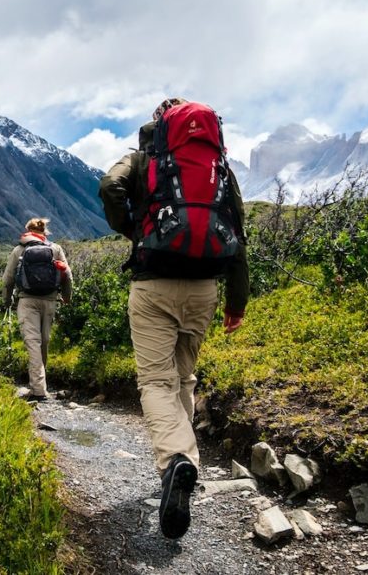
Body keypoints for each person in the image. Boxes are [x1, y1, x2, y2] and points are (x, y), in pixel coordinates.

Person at [98, 98, 249, 539]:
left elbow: (110, 186)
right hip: (204, 288)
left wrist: (132, 228)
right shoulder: (218, 167)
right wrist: (236, 304)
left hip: (154, 284)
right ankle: (183, 463)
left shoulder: (145, 159)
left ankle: (176, 462)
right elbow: (238, 232)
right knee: (184, 377)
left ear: (160, 125)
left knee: (155, 382)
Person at [2, 217, 73, 401]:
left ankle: (39, 390)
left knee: (33, 342)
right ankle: (40, 384)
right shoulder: (55, 249)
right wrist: (66, 297)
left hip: (27, 301)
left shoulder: (19, 250)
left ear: (27, 230)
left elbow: (7, 280)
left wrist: (7, 301)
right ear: (45, 232)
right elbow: (67, 275)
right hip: (50, 301)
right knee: (44, 341)